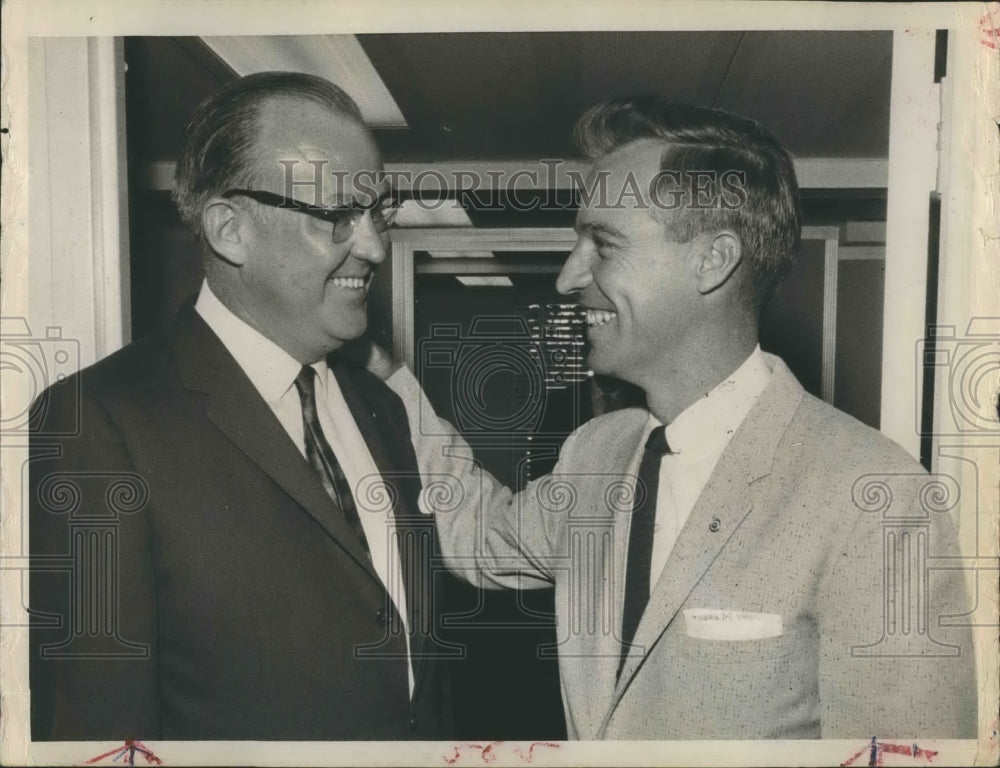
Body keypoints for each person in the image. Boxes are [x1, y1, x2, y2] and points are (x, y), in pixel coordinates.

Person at [384, 96, 977, 739]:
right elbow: (475, 536)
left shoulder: (877, 497)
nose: (566, 276)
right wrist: (385, 377)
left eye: (602, 244)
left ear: (712, 261)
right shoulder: (596, 453)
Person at [29, 72, 452, 740]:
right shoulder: (100, 422)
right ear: (230, 229)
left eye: (378, 213)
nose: (373, 246)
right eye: (339, 214)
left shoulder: (382, 409)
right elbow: (96, 726)